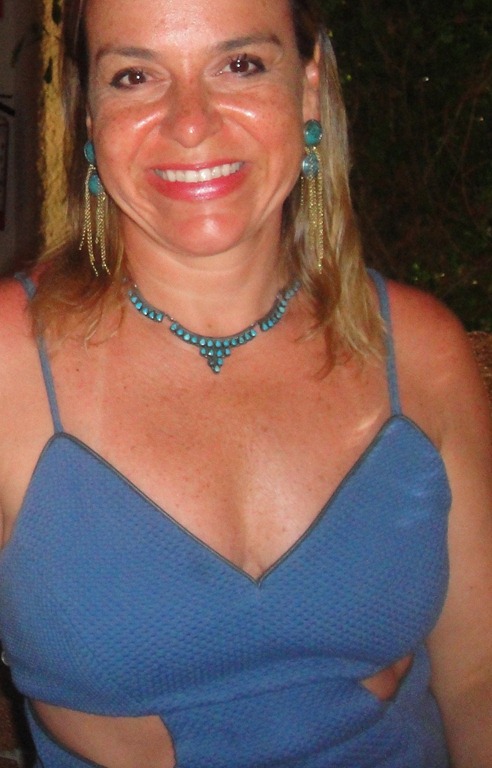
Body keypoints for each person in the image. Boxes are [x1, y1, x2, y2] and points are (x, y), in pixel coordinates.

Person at [0, 0, 491, 765]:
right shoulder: (10, 363)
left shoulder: (423, 351)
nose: (190, 122)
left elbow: (478, 679)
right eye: (134, 76)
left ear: (308, 87)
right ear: (89, 116)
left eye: (240, 65)